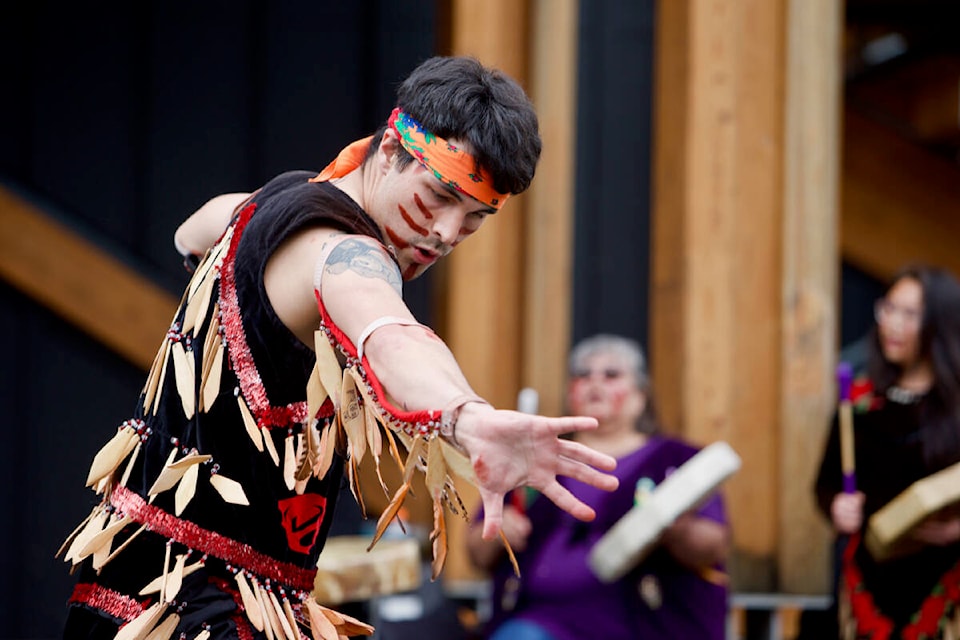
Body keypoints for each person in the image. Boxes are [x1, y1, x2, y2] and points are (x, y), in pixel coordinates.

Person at [57, 56, 619, 640]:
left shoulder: (270, 203)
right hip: (199, 615)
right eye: (438, 196)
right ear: (390, 151)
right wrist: (466, 417)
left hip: (122, 593)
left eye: (475, 217)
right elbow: (389, 333)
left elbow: (198, 225)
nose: (448, 233)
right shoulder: (346, 255)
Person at [466, 334, 730, 640]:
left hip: (645, 625)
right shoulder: (531, 459)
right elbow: (476, 554)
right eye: (583, 374)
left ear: (641, 395)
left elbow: (713, 546)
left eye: (611, 375)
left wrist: (675, 527)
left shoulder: (678, 461)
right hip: (538, 621)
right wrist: (497, 533)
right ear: (570, 392)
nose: (595, 383)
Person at [814, 264, 960, 638]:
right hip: (871, 581)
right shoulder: (860, 405)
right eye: (889, 309)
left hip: (945, 585)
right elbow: (826, 483)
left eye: (909, 314)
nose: (893, 323)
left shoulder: (956, 408)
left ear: (938, 322)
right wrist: (837, 506)